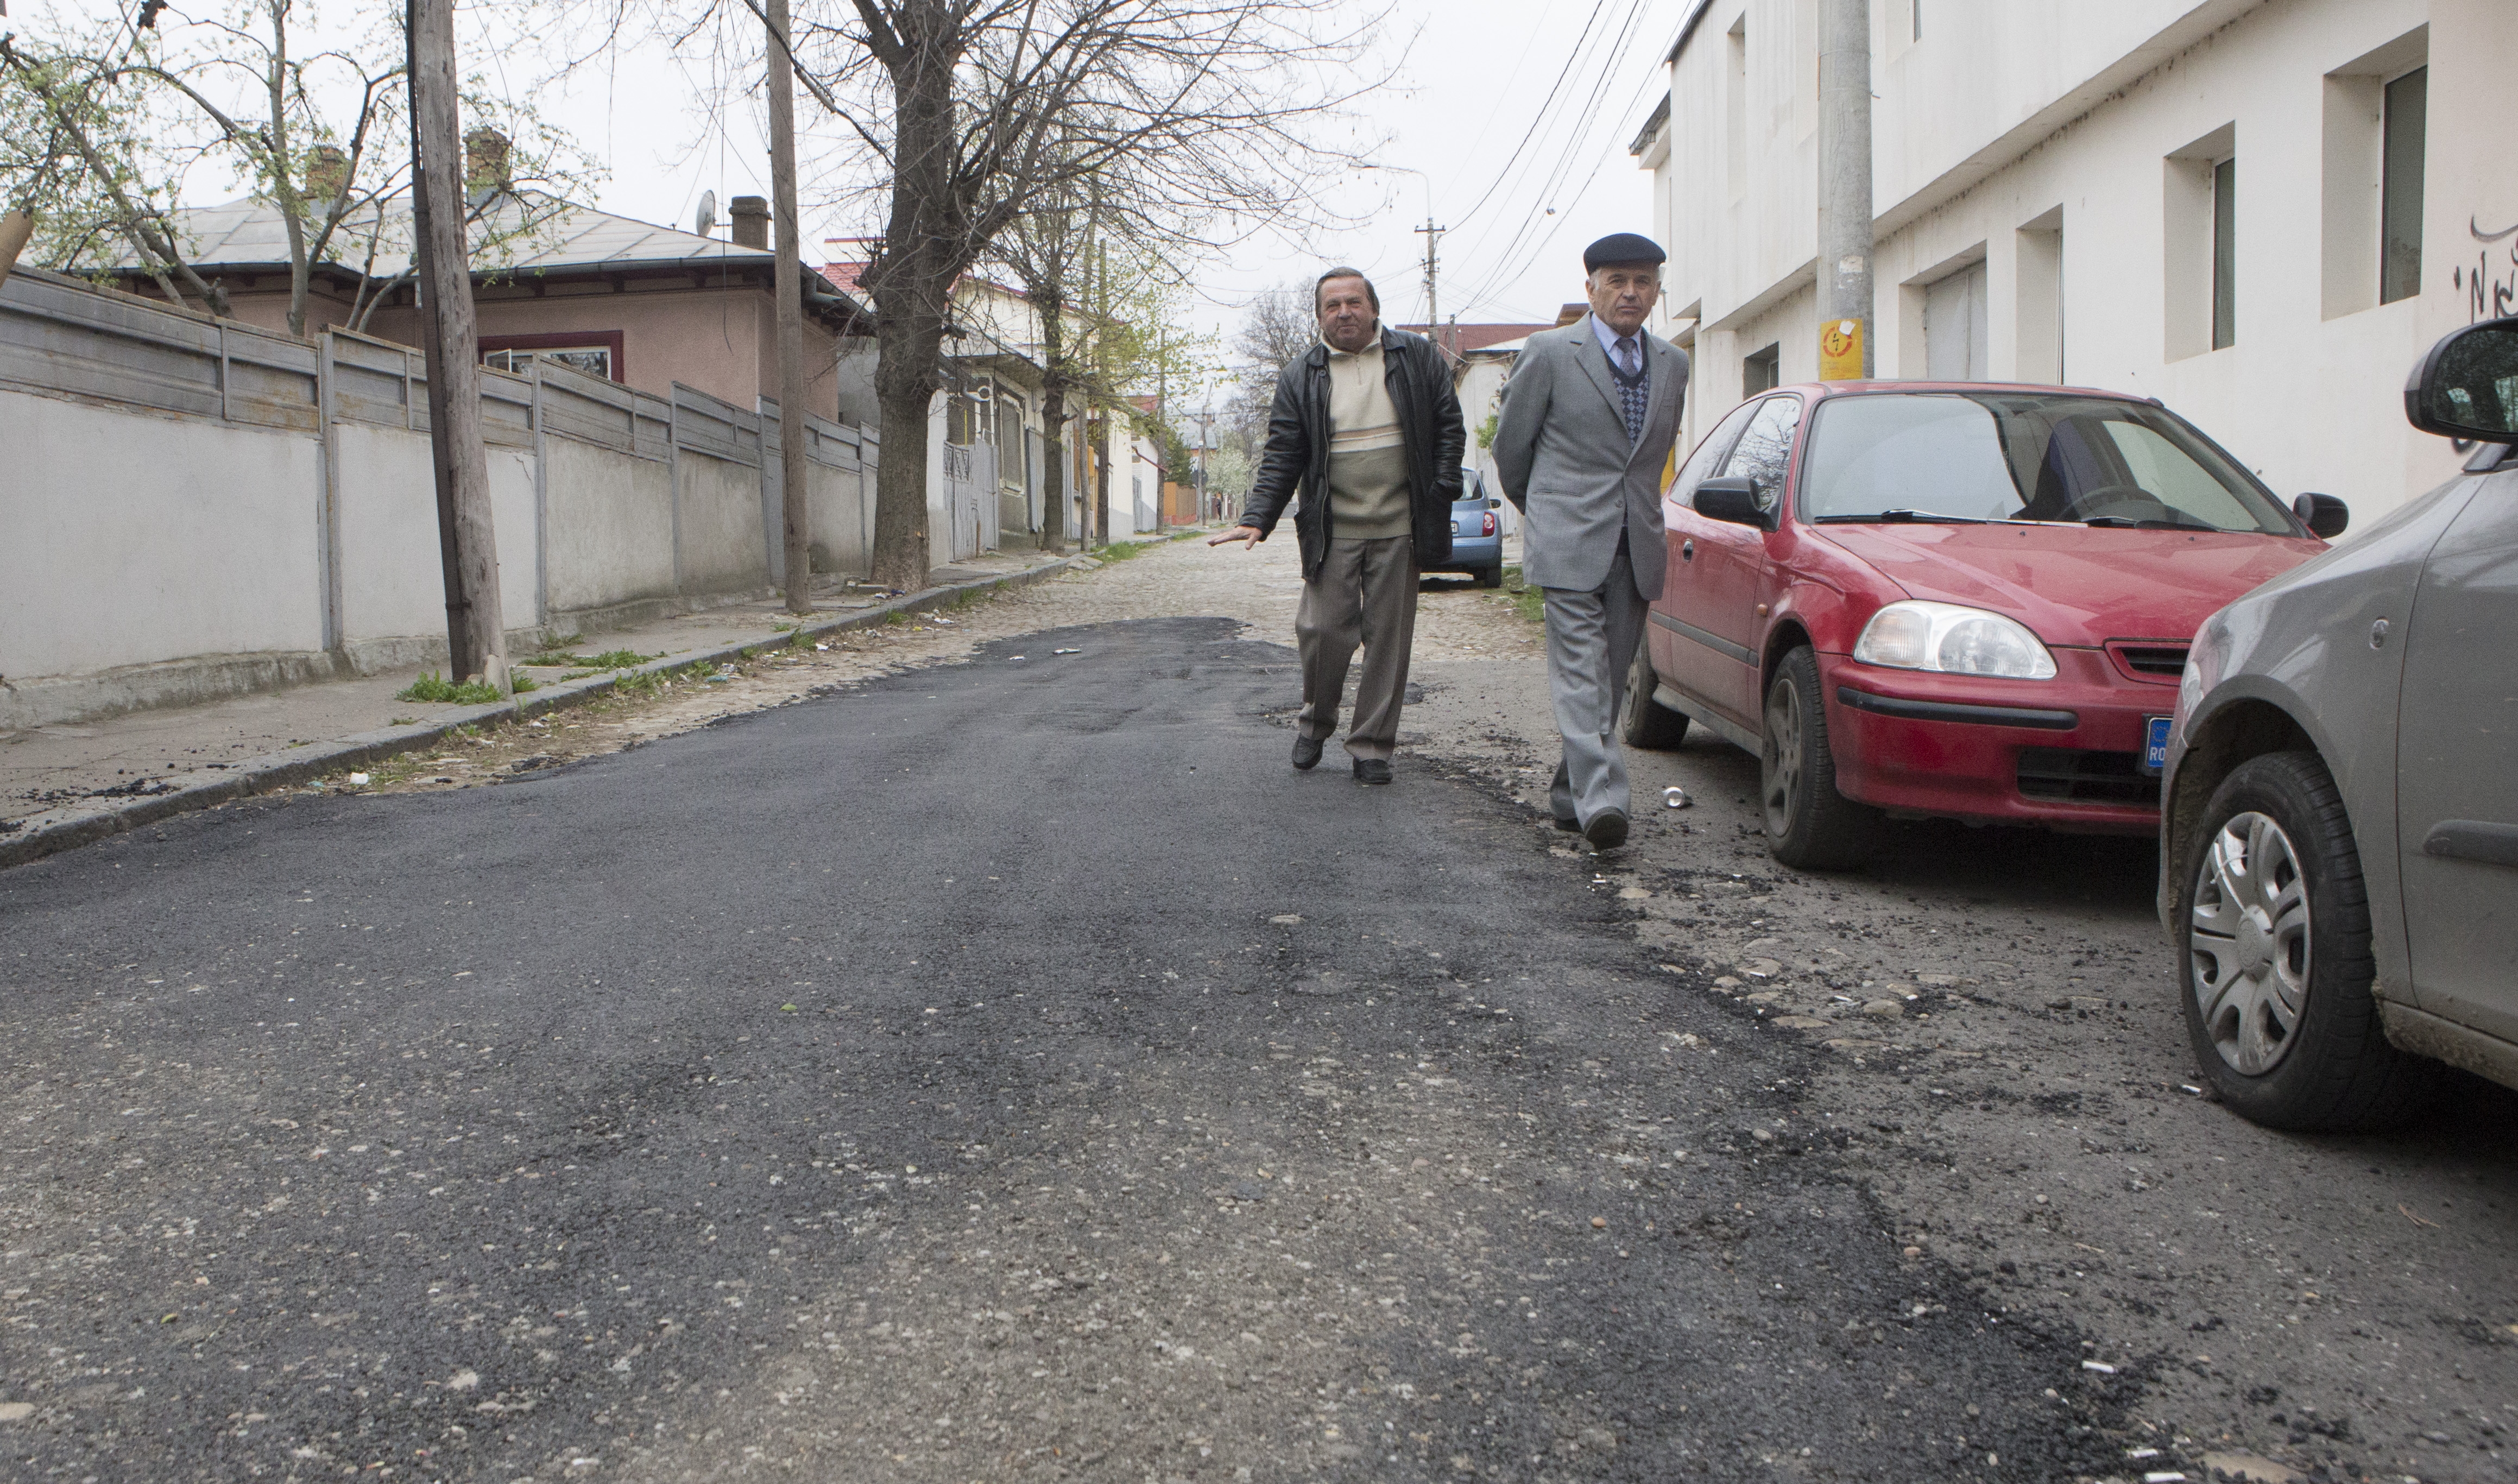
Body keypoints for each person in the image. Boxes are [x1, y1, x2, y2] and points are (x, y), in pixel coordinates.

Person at [1209, 267, 1466, 784]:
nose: (1344, 312)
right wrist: (1258, 518)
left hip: (1401, 526)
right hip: (1333, 529)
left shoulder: (1416, 358)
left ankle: (1371, 746)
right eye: (1332, 305)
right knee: (1322, 630)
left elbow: (1448, 428)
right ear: (1319, 316)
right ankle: (1316, 720)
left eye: (1353, 302)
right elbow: (1283, 453)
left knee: (1387, 642)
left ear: (1373, 308)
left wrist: (1440, 488)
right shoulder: (1300, 374)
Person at [1490, 233, 1689, 848]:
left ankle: (1568, 793)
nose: (1630, 293)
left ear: (1656, 292)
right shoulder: (1550, 352)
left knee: (1607, 677)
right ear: (1590, 289)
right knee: (1581, 674)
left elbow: (1651, 454)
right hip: (1567, 540)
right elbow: (1511, 450)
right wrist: (1548, 514)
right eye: (1616, 281)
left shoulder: (1673, 363)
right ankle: (1604, 800)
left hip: (1637, 542)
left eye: (1643, 282)